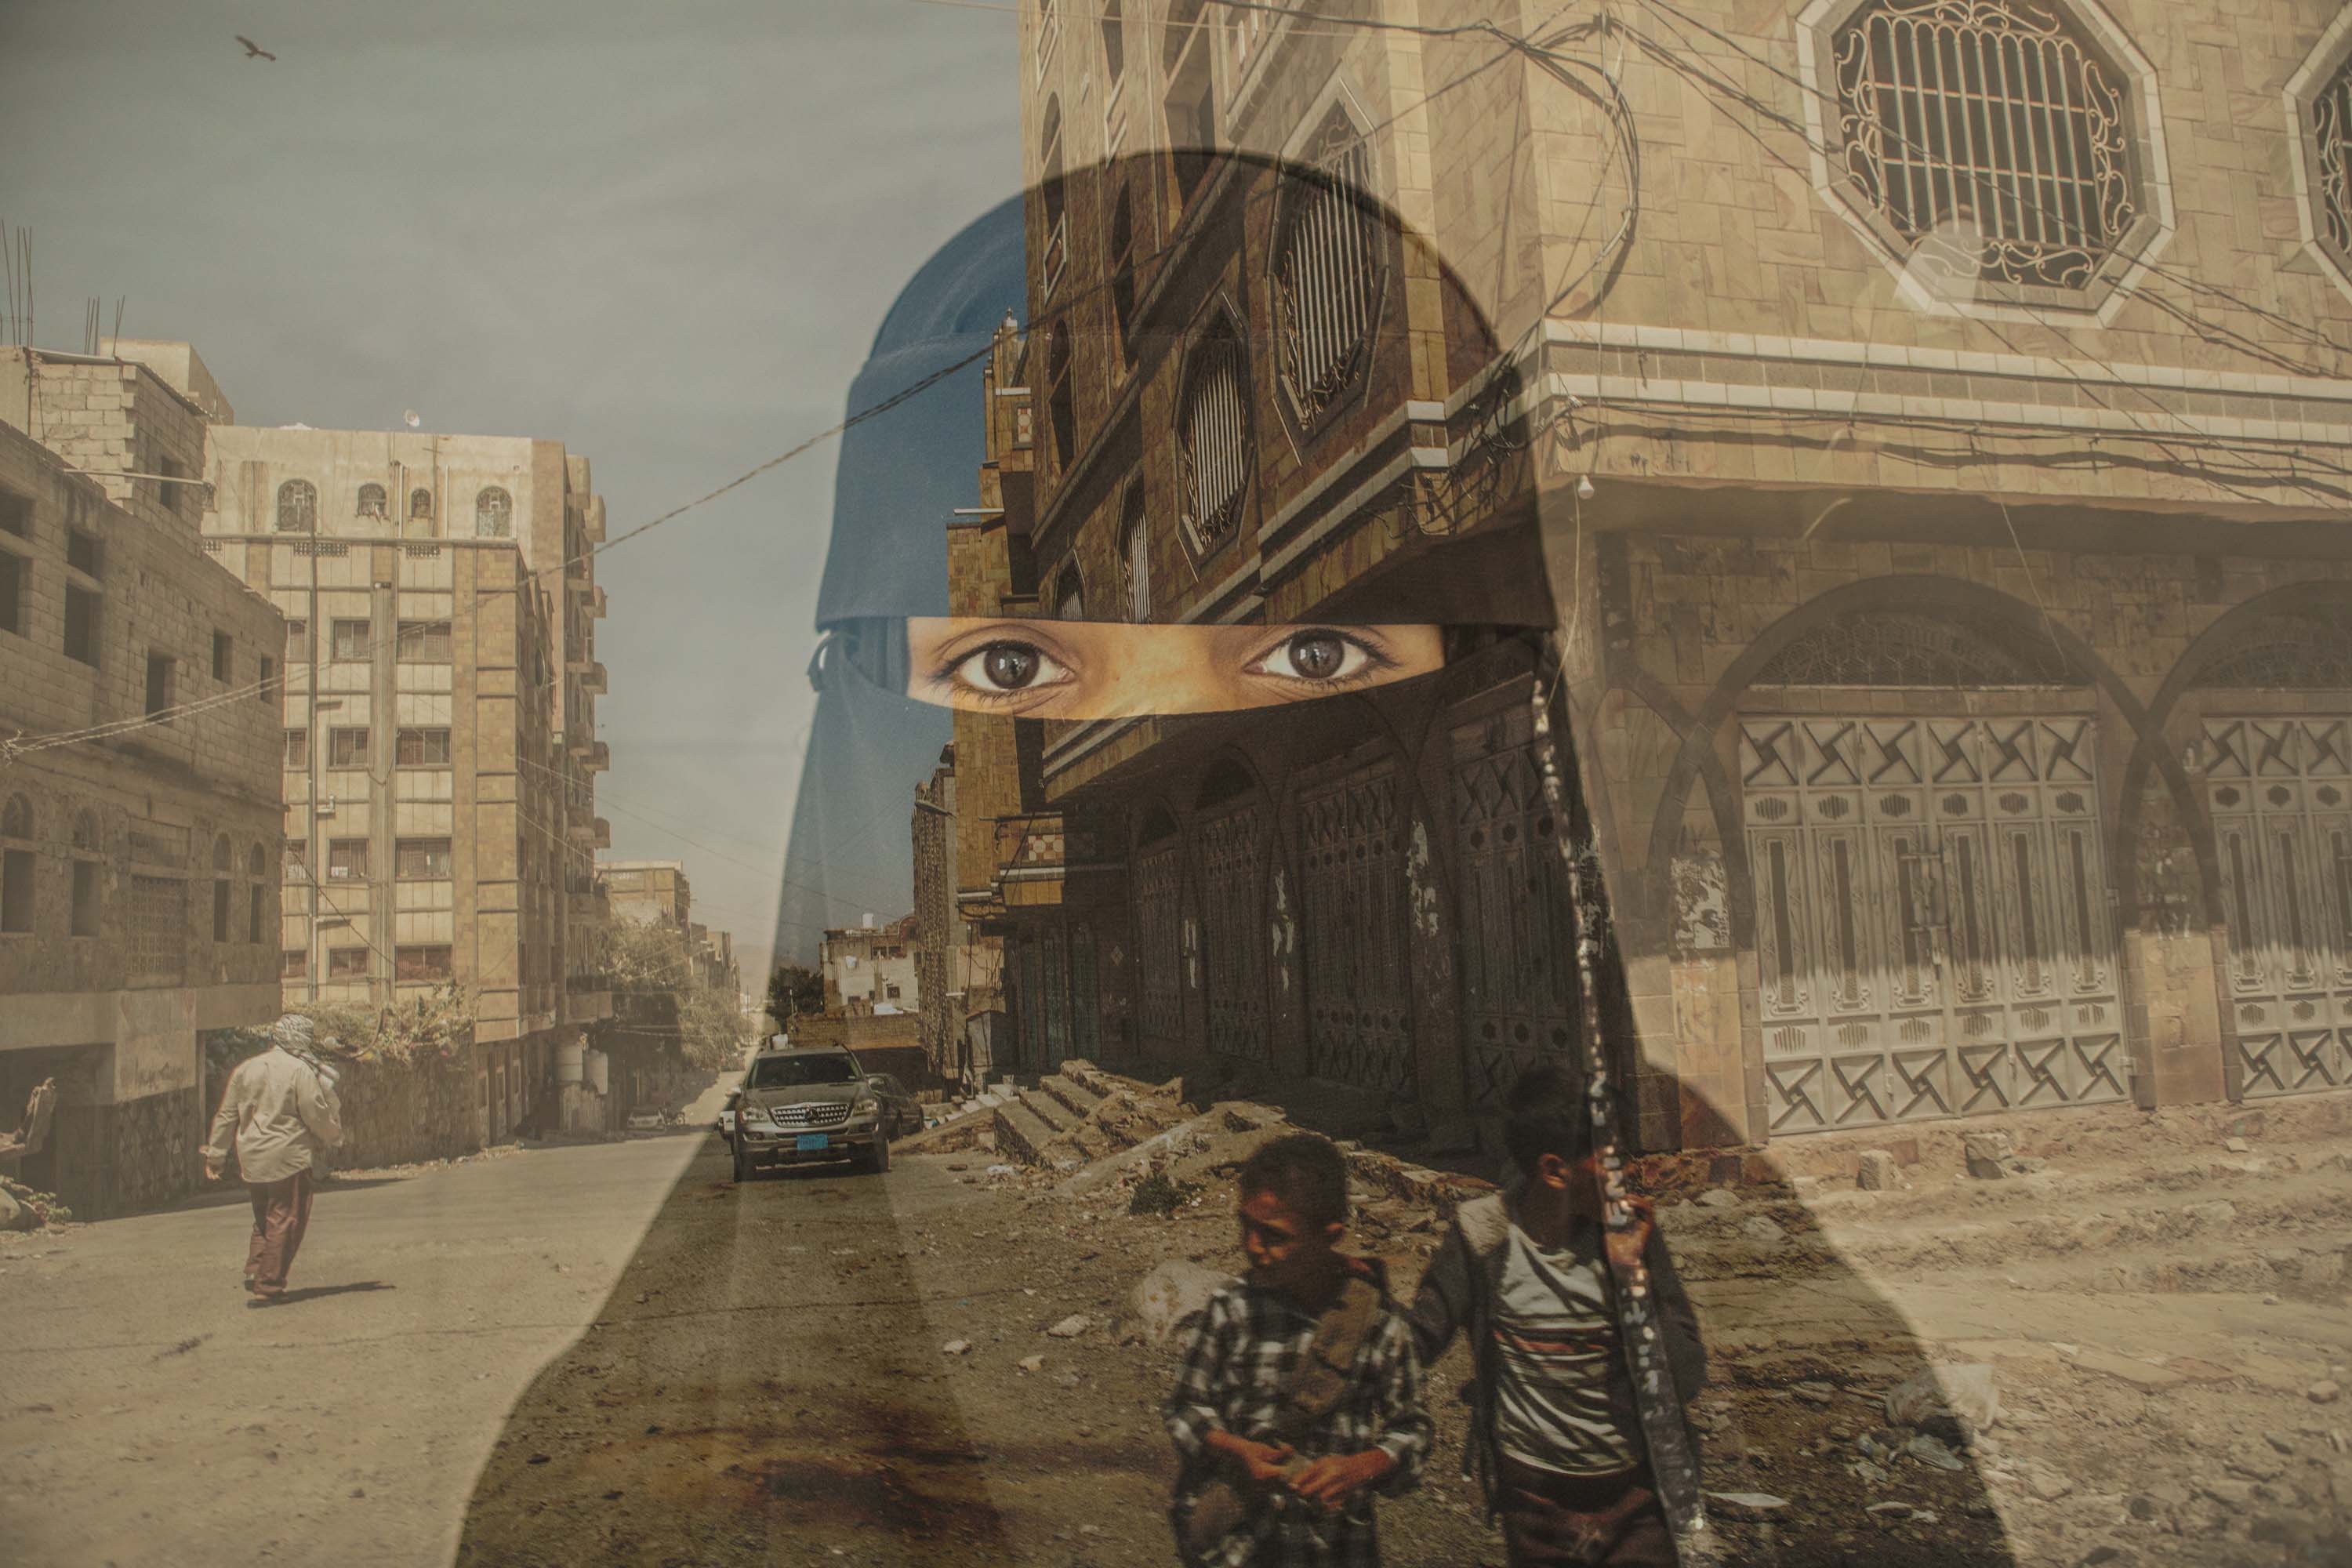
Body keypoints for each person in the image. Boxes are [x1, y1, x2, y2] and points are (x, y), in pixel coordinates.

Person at [1406, 1065, 1705, 1567]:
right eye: (1609, 1157)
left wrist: (1631, 1277)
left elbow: (1687, 1376)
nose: (1626, 1170)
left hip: (1635, 1496)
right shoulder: (1484, 1237)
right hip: (1534, 1502)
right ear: (1554, 1170)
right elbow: (1416, 1340)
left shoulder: (1632, 1237)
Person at [1163, 1131, 1432, 1568]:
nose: (1253, 1247)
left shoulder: (1378, 1324)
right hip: (1237, 1547)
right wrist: (1237, 1449)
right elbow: (1185, 1409)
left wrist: (1363, 1466)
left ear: (1330, 1235)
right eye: (1245, 1226)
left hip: (1335, 1549)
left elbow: (1414, 1431)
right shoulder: (1231, 1309)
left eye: (1273, 1236)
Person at [201, 1014, 344, 1305]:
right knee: (287, 1218)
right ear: (301, 1039)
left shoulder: (246, 1069)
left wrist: (217, 1154)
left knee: (264, 1216)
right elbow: (314, 1112)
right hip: (287, 1156)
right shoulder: (299, 1070)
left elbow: (228, 1114)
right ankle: (269, 1285)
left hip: (252, 1157)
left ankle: (257, 1268)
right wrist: (333, 1136)